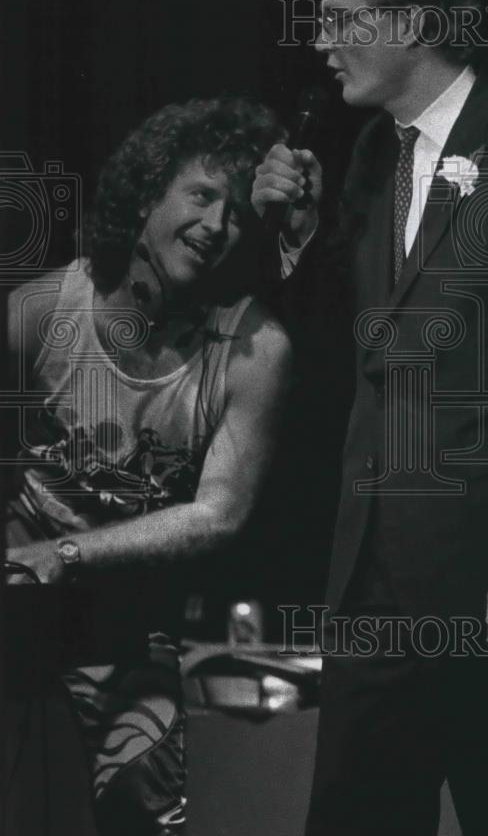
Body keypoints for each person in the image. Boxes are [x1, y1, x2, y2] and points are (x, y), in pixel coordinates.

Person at [253, 0, 488, 834]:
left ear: (409, 22)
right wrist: (297, 234)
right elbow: (357, 350)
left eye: (341, 18)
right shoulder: (369, 157)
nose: (322, 41)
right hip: (369, 578)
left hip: (483, 576)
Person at [5, 97, 291, 836]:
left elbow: (218, 513)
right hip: (20, 624)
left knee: (142, 799)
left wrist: (67, 552)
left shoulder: (254, 350)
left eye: (235, 214)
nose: (215, 226)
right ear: (144, 197)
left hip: (134, 631)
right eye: (201, 196)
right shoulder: (41, 311)